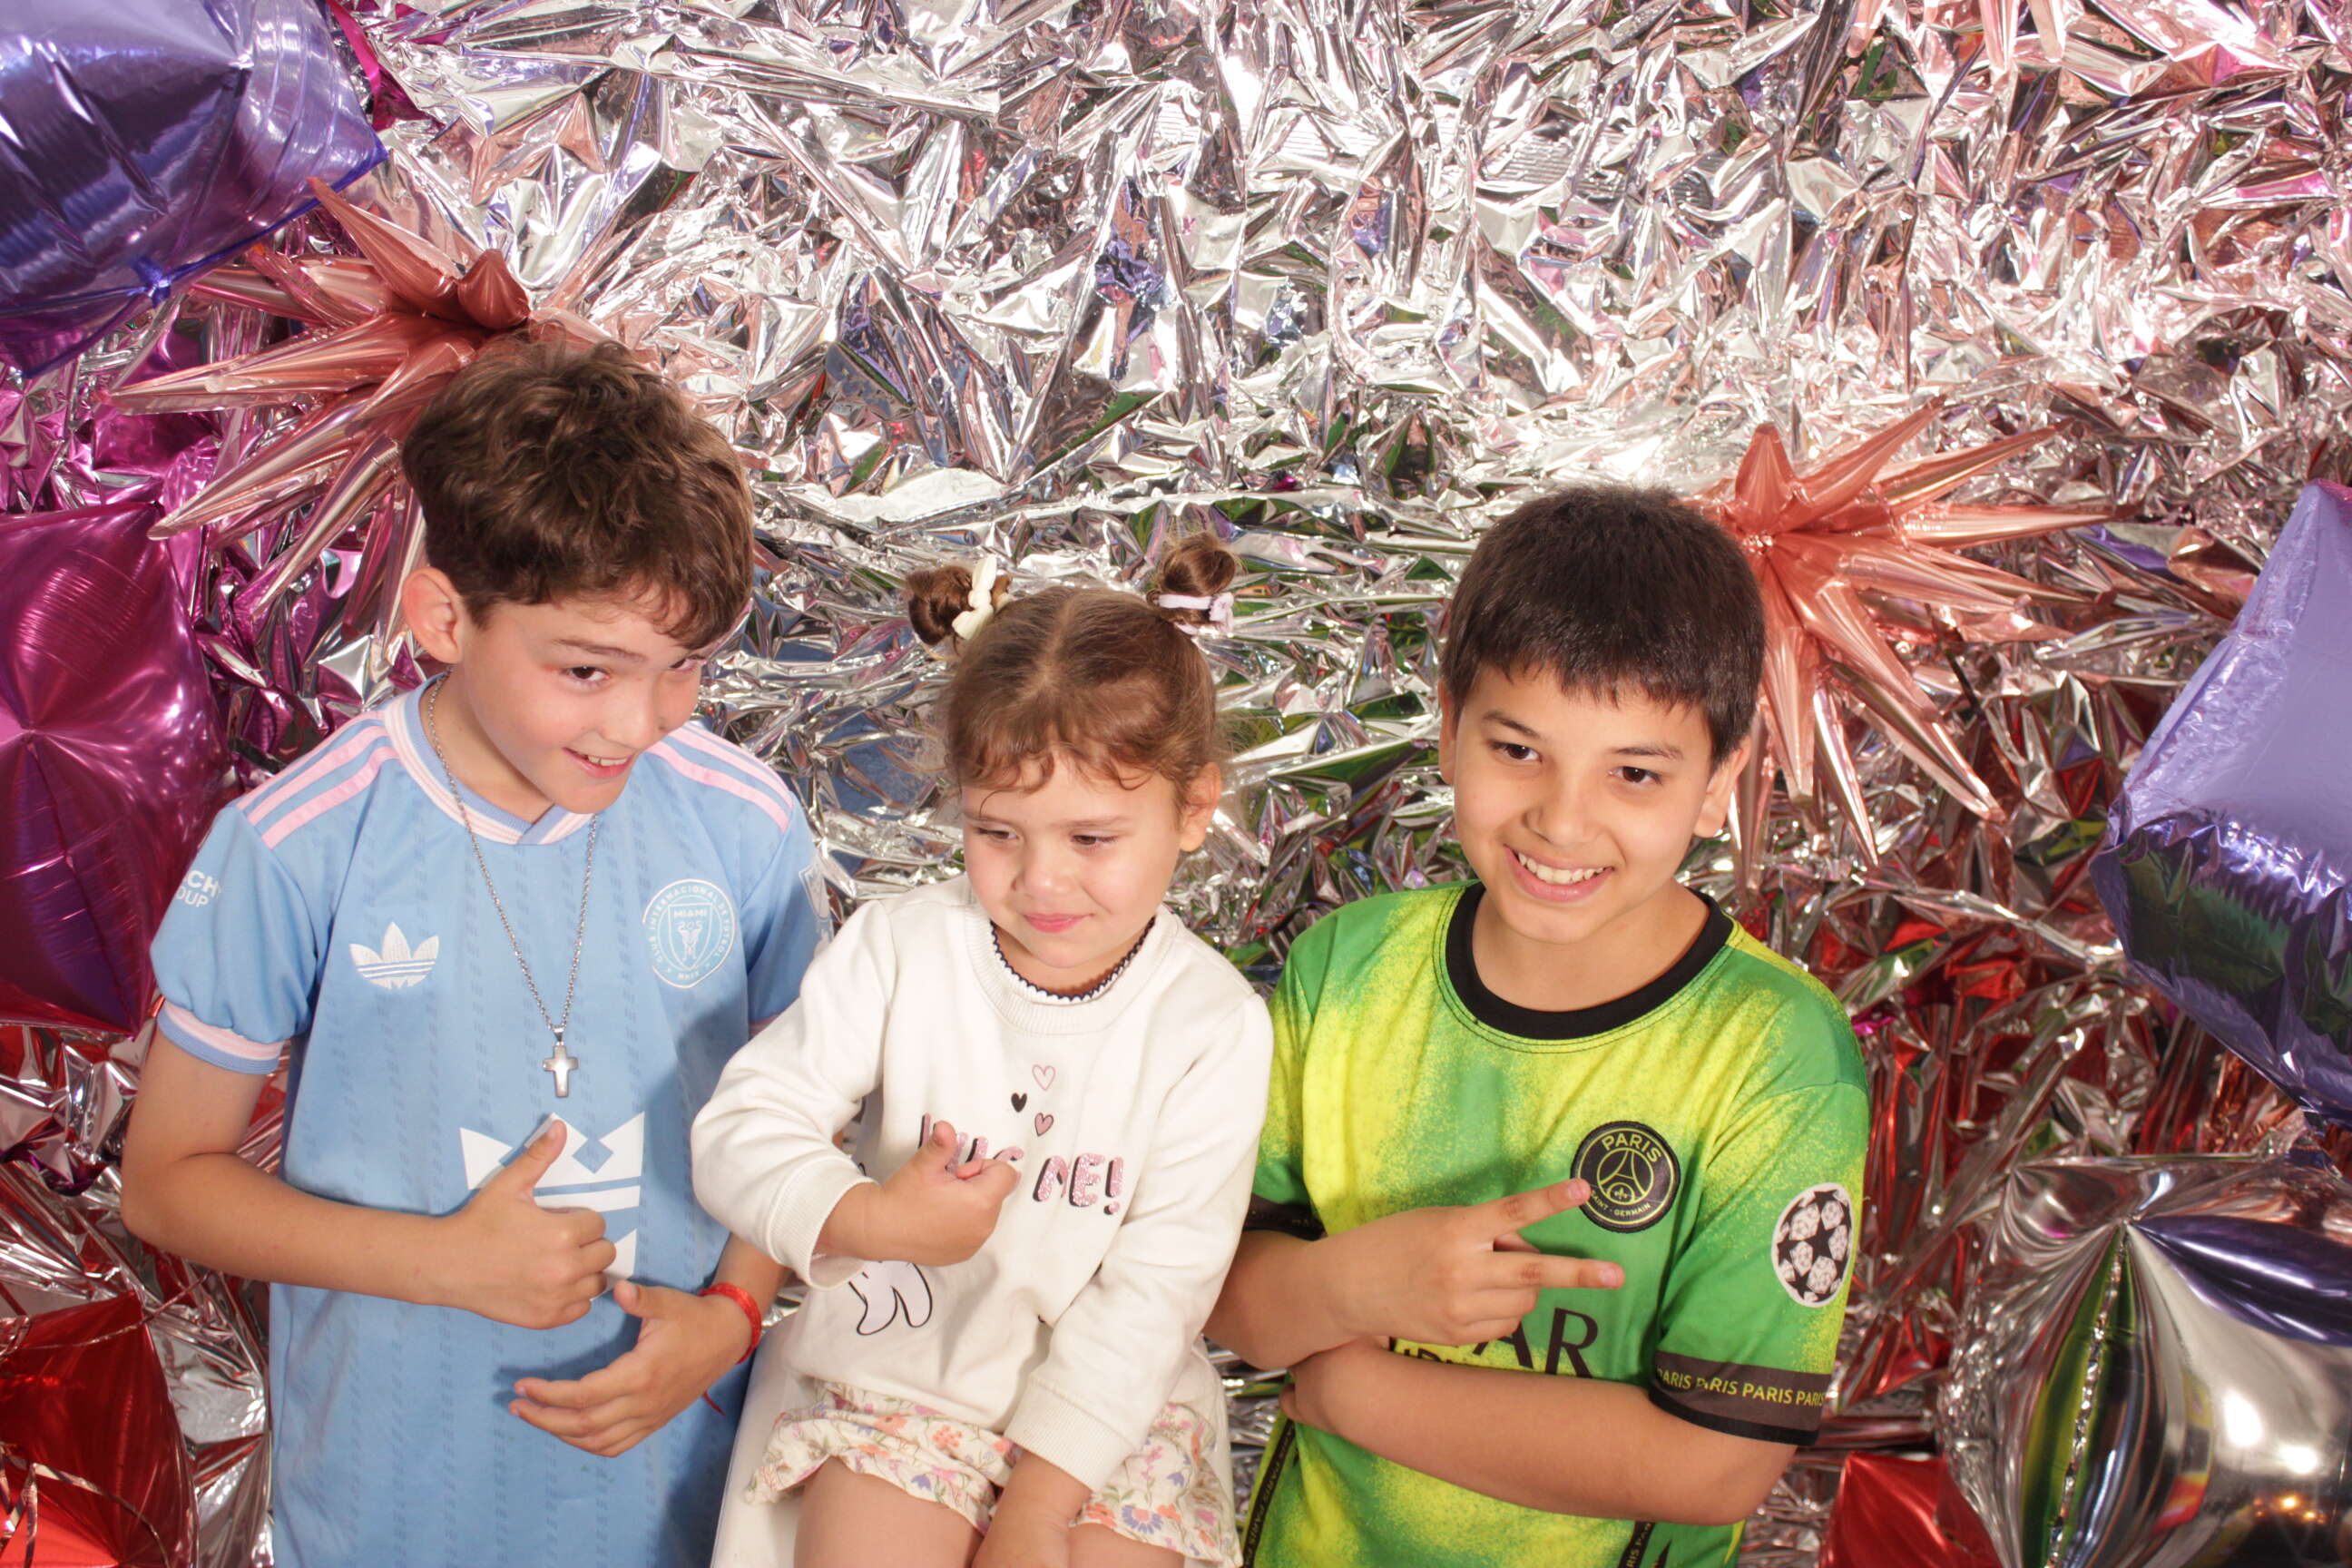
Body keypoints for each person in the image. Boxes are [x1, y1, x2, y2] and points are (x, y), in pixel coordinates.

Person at [120, 338, 824, 1568]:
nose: (640, 722)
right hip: (396, 1501)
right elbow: (167, 1182)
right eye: (587, 669)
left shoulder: (746, 824)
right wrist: (442, 1263)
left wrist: (731, 1315)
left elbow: (802, 1119)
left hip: (681, 1493)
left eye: (685, 669)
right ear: (445, 617)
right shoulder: (299, 845)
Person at [1207, 485, 1870, 1568]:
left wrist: (1349, 1386)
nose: (1562, 820)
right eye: (1518, 751)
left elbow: (1716, 1466)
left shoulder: (1773, 1054)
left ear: (1719, 781)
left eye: (1635, 774)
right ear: (1449, 726)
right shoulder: (1347, 971)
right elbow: (1219, 1289)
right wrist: (1355, 1285)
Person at [693, 536, 1270, 1568]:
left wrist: (1039, 1508)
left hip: (1109, 1420)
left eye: (1091, 839)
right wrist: (873, 1218)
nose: (1041, 880)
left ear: (1193, 811)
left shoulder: (1210, 1024)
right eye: (999, 832)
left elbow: (1157, 1291)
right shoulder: (901, 949)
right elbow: (742, 1129)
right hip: (897, 1381)